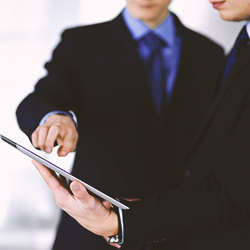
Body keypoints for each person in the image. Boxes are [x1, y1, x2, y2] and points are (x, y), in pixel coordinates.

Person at [32, 0, 250, 249]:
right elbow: (42, 96)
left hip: (177, 229)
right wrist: (54, 116)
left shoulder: (209, 52)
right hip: (91, 227)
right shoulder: (81, 42)